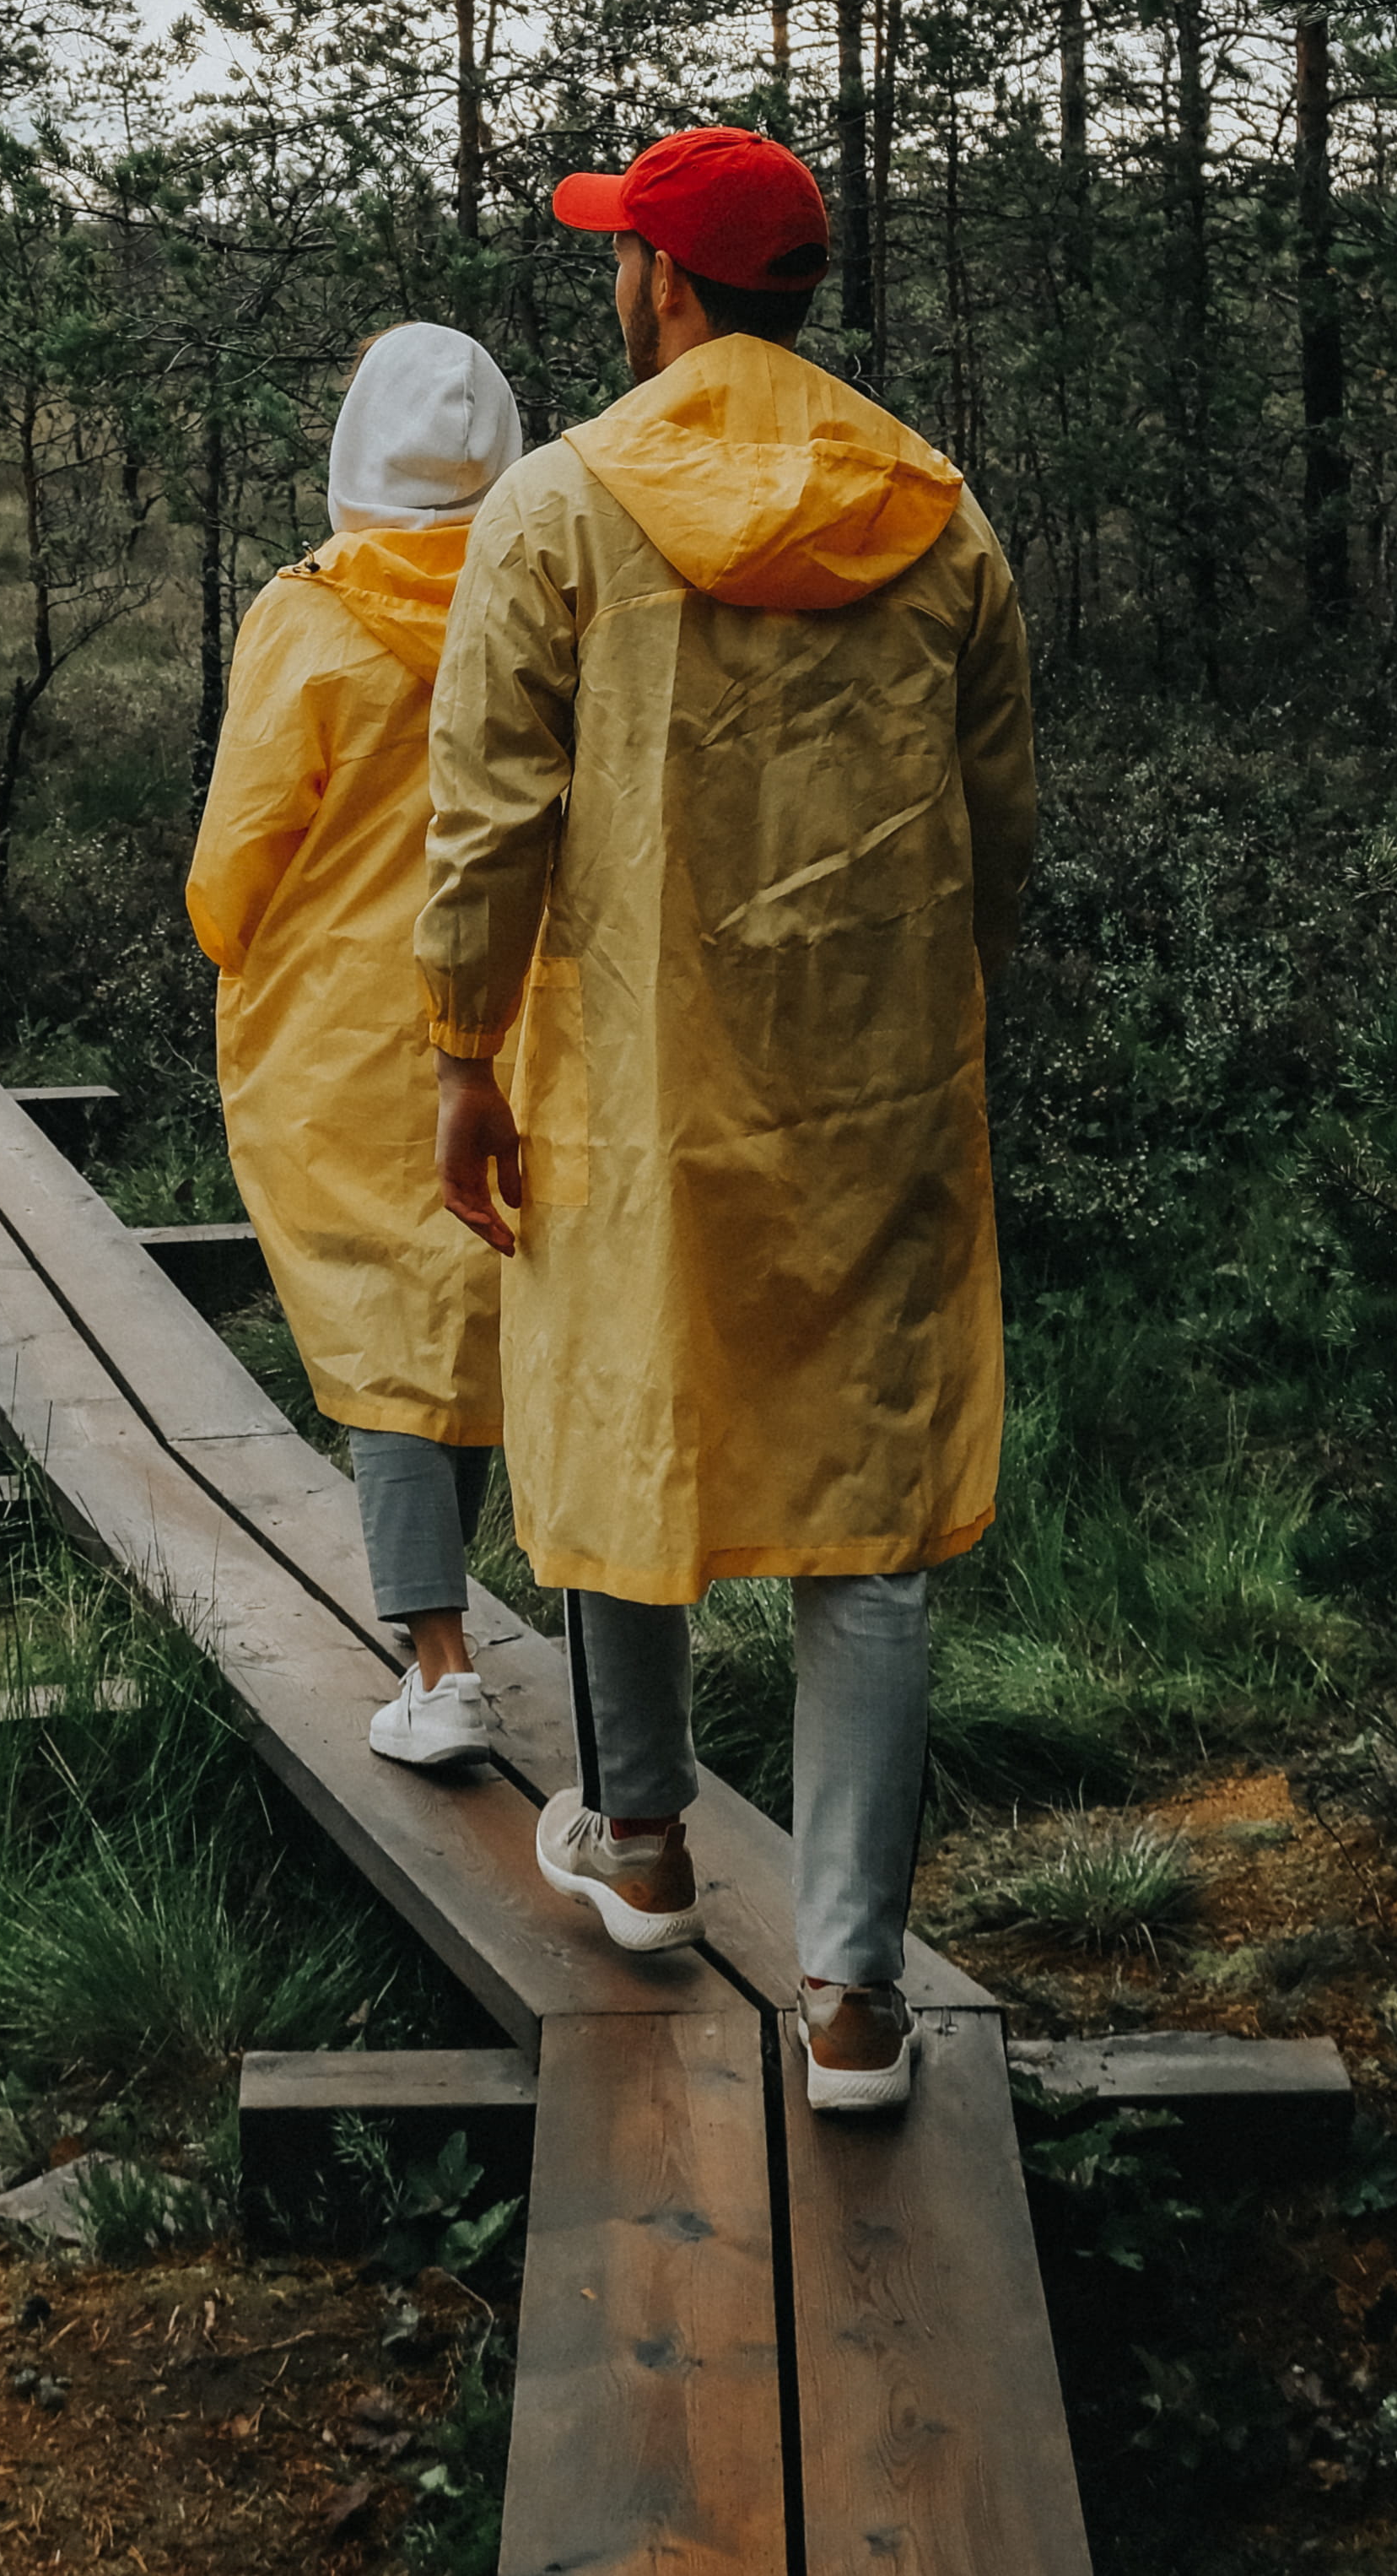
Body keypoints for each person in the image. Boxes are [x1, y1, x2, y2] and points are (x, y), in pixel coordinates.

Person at [415, 125, 1035, 2114]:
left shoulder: (557, 510)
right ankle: (854, 1998)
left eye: (627, 259)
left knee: (620, 1434)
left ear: (669, 289)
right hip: (878, 1093)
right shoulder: (938, 517)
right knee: (873, 1523)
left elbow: (492, 816)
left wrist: (458, 1050)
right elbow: (994, 830)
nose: (618, 284)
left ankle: (651, 1848)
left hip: (634, 1093)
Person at [187, 320, 527, 1769]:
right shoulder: (550, 599)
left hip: (337, 1029)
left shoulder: (312, 615)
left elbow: (234, 861)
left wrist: (230, 939)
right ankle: (462, 1629)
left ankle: (438, 1660)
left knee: (389, 1335)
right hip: (514, 1015)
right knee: (478, 1304)